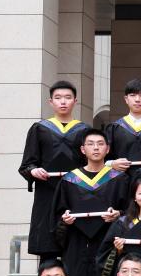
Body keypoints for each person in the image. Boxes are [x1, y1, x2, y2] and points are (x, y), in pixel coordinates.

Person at [53, 129, 127, 276]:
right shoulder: (69, 180)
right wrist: (65, 221)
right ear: (82, 149)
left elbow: (130, 211)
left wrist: (118, 214)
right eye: (90, 144)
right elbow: (57, 215)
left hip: (108, 243)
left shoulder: (120, 179)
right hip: (77, 244)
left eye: (100, 144)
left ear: (108, 149)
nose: (96, 148)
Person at [19, 80, 89, 259]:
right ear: (51, 102)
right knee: (47, 247)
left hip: (76, 192)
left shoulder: (84, 131)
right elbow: (27, 164)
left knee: (76, 248)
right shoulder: (39, 129)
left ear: (75, 101)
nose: (63, 101)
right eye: (58, 98)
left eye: (68, 97)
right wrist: (33, 171)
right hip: (47, 192)